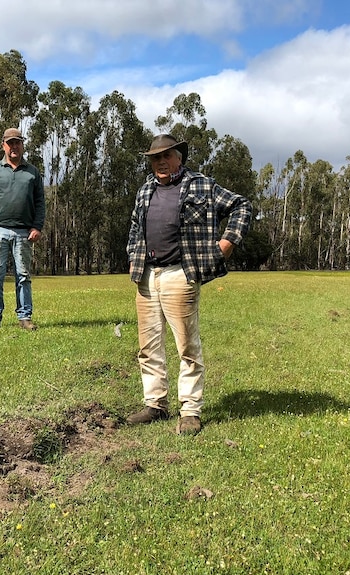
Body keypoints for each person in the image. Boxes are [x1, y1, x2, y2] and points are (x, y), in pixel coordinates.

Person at [126, 134, 252, 435]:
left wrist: (227, 242)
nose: (161, 162)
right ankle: (155, 404)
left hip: (180, 275)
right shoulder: (145, 190)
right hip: (146, 275)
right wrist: (133, 255)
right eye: (155, 158)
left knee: (187, 345)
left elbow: (241, 206)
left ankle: (190, 410)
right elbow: (134, 226)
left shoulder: (201, 185)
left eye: (166, 156)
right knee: (148, 346)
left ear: (179, 158)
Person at [0, 128, 46, 331]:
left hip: (24, 232)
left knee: (23, 276)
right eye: (10, 143)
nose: (14, 147)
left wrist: (37, 226)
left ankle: (25, 317)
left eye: (17, 143)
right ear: (3, 145)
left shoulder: (33, 172)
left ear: (22, 145)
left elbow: (40, 203)